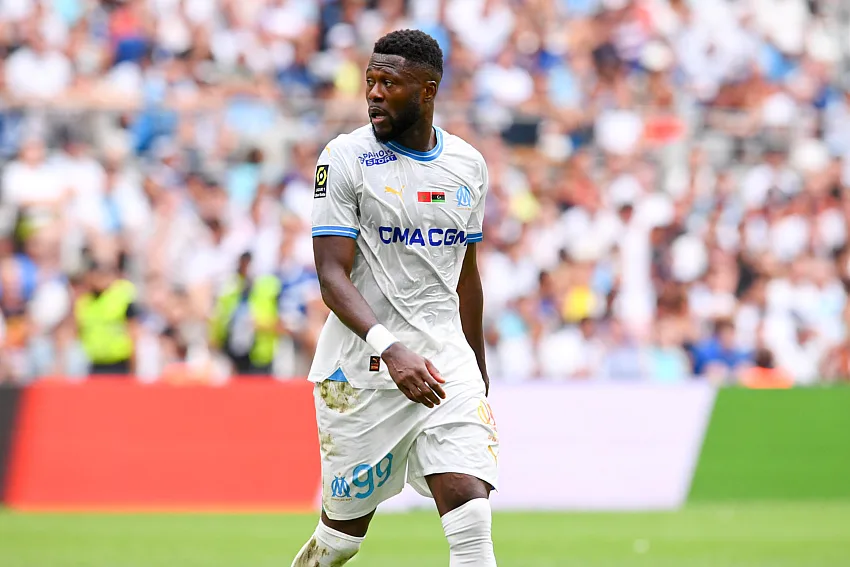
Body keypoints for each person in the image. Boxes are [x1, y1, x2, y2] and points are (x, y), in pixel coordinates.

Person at [290, 30, 498, 567]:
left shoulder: (468, 166)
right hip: (361, 373)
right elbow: (330, 276)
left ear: (428, 91)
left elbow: (466, 274)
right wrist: (390, 349)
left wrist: (476, 365)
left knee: (471, 516)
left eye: (390, 83)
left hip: (444, 367)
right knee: (340, 541)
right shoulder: (344, 158)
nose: (375, 93)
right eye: (371, 81)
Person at [210, 251, 283, 376]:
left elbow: (281, 323)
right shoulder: (229, 287)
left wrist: (259, 324)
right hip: (233, 353)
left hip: (260, 355)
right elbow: (219, 317)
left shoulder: (270, 287)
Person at [73, 260, 139, 376]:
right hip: (94, 362)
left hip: (119, 362)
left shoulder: (121, 298)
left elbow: (133, 333)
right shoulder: (84, 301)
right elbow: (79, 331)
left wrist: (134, 367)